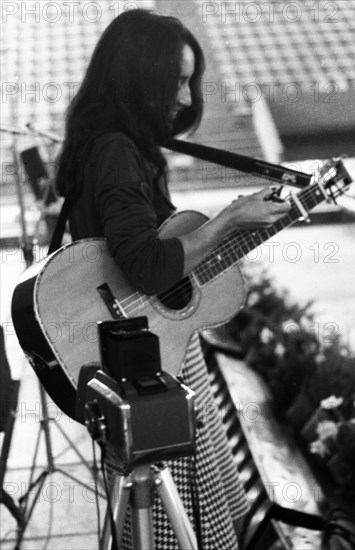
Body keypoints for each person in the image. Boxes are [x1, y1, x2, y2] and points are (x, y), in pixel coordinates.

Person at [56, 9, 290, 549]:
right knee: (173, 515)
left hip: (152, 345)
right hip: (151, 360)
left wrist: (243, 229)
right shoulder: (116, 152)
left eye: (190, 80)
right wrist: (231, 218)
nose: (186, 98)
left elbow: (165, 262)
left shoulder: (116, 144)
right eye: (176, 81)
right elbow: (147, 265)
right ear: (141, 79)